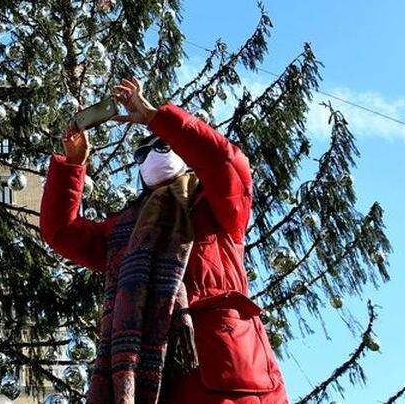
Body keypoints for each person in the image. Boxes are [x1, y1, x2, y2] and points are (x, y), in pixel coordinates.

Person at [40, 78, 288, 404]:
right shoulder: (127, 228)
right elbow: (61, 232)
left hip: (225, 380)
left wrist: (154, 117)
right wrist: (74, 163)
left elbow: (226, 162)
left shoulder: (215, 206)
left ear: (182, 152)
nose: (151, 157)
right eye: (142, 152)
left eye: (162, 146)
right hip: (156, 386)